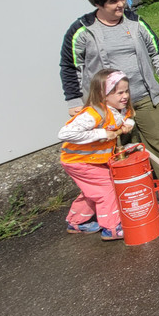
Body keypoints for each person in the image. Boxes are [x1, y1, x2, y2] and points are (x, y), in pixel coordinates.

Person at [60, 0, 159, 198]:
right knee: (122, 145)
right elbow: (70, 65)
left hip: (144, 94)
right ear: (97, 4)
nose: (120, 4)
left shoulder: (136, 22)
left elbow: (156, 50)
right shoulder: (82, 30)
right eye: (113, 1)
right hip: (109, 106)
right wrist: (73, 100)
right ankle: (134, 187)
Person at [58, 69, 133, 241]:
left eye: (126, 91)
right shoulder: (93, 114)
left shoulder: (117, 109)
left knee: (92, 191)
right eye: (119, 92)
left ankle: (77, 222)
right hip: (79, 161)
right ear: (103, 94)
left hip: (93, 161)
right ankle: (112, 228)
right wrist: (101, 134)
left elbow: (128, 117)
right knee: (107, 189)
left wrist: (128, 124)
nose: (125, 96)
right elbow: (65, 133)